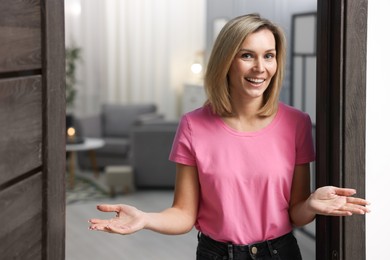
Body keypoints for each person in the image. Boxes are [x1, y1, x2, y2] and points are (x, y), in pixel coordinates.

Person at [88, 13, 370, 259]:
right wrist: (145, 218)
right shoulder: (193, 125)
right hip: (216, 255)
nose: (260, 68)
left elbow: (295, 213)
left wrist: (310, 204)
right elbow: (184, 214)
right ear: (226, 60)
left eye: (268, 56)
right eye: (247, 55)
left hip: (280, 253)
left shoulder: (296, 123)